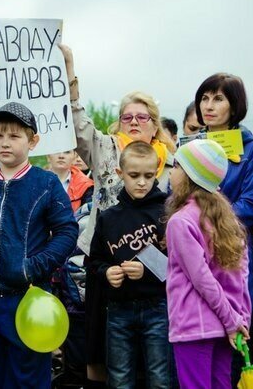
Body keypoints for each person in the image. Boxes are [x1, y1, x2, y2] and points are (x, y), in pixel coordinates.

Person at [62, 44, 175, 385]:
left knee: (156, 359)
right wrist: (70, 71)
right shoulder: (105, 148)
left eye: (143, 117)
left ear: (155, 124)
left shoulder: (171, 164)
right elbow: (78, 121)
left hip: (156, 282)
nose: (135, 122)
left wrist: (152, 264)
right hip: (109, 268)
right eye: (128, 117)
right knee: (109, 351)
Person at [0, 102, 79, 388]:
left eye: (14, 136)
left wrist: (33, 266)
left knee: (29, 378)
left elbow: (67, 232)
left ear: (33, 141)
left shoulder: (45, 183)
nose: (5, 143)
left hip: (28, 299)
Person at [166, 139, 251, 388]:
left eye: (177, 166)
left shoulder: (180, 222)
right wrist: (238, 320)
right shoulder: (228, 220)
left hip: (193, 328)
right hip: (227, 328)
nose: (171, 172)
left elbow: (202, 279)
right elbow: (240, 275)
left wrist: (232, 321)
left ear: (190, 175)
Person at [89, 141, 171, 388]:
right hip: (118, 309)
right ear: (119, 174)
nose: (142, 182)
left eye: (148, 175)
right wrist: (106, 272)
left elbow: (178, 265)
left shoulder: (166, 213)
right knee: (119, 378)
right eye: (134, 175)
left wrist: (146, 271)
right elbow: (94, 261)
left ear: (156, 172)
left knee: (160, 376)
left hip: (158, 307)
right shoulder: (108, 218)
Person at [195, 73, 253, 310]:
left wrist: (205, 221)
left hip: (231, 248)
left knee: (235, 322)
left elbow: (251, 205)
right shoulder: (190, 146)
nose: (208, 106)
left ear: (234, 105)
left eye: (218, 99)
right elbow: (175, 197)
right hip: (194, 247)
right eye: (204, 98)